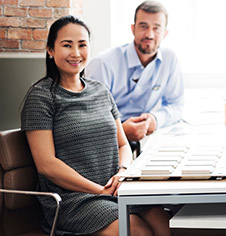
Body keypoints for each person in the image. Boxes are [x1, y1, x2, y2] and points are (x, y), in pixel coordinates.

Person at [21, 16, 171, 236]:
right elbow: (47, 165)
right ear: (50, 50)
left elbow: (123, 145)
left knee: (164, 224)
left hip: (114, 189)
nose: (75, 53)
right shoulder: (41, 97)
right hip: (73, 199)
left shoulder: (100, 90)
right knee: (138, 231)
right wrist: (101, 190)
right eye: (66, 45)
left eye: (82, 45)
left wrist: (123, 172)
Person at [87, 0, 185, 146]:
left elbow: (176, 105)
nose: (149, 34)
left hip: (145, 138)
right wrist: (120, 131)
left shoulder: (170, 59)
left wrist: (155, 119)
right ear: (133, 29)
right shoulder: (103, 63)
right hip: (105, 142)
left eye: (156, 28)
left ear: (165, 33)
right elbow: (90, 117)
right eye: (143, 26)